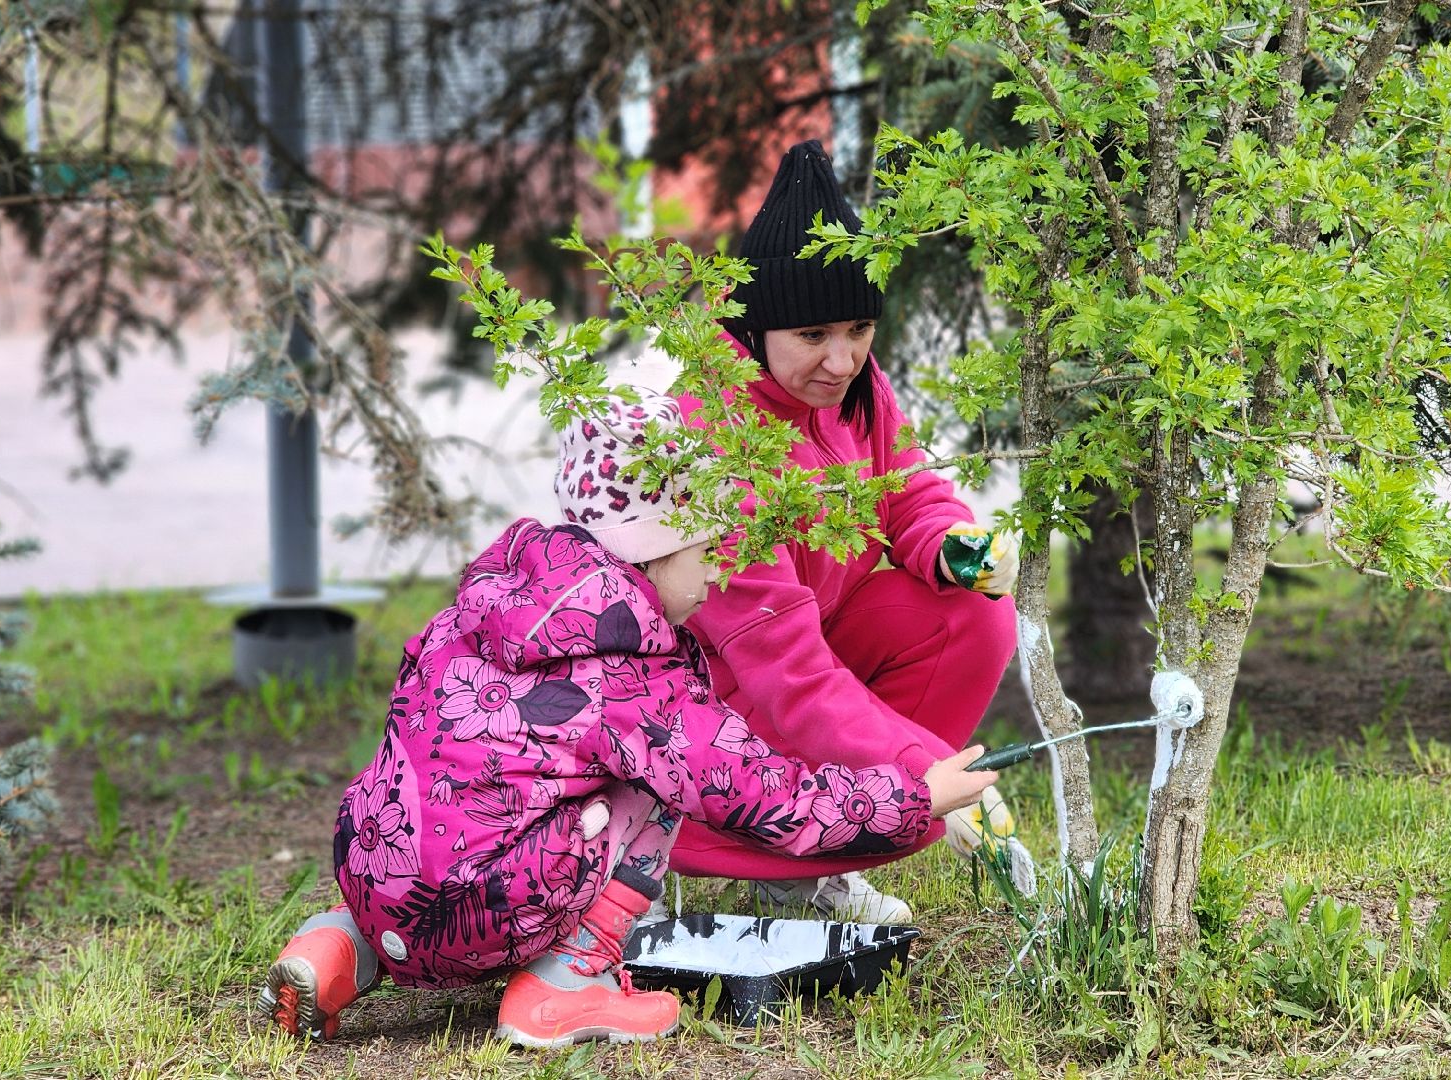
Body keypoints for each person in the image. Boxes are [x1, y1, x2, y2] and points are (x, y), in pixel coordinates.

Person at [257, 391, 1000, 1046]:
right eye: (707, 551)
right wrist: (912, 796)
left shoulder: (484, 608)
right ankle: (565, 984)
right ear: (651, 550)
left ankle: (340, 946)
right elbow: (757, 793)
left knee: (451, 793)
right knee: (654, 784)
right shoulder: (637, 678)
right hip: (484, 915)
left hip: (372, 869)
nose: (720, 573)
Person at [668, 139, 1030, 923]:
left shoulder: (855, 385)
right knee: (893, 780)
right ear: (756, 328)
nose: (841, 360)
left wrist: (950, 547)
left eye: (860, 328)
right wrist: (921, 776)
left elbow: (906, 491)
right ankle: (777, 844)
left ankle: (824, 849)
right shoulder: (716, 437)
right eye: (813, 336)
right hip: (699, 701)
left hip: (800, 654)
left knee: (970, 612)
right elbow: (778, 666)